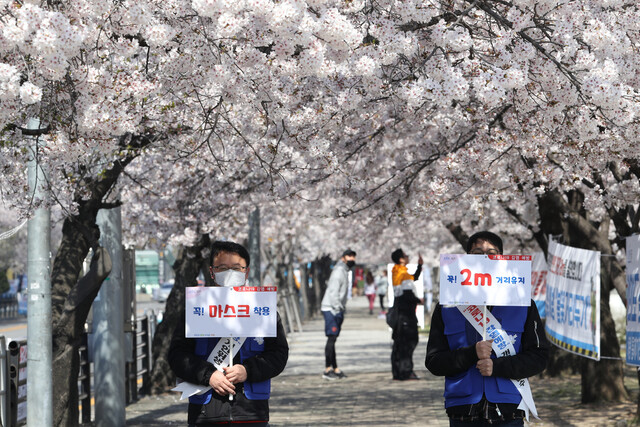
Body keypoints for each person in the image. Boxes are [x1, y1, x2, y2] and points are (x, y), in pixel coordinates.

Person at [425, 231, 549, 426]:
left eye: (492, 253)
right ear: (466, 259)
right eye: (477, 253)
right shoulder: (447, 306)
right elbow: (433, 361)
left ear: (502, 259)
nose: (485, 257)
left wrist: (498, 367)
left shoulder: (523, 304)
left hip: (509, 411)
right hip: (462, 411)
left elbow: (539, 357)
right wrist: (471, 354)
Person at [168, 240, 289, 427]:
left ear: (246, 272)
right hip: (205, 411)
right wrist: (208, 375)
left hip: (252, 411)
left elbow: (278, 354)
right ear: (212, 272)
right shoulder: (196, 310)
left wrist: (247, 370)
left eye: (236, 268)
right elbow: (177, 355)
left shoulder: (262, 309)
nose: (230, 273)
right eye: (222, 267)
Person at [320, 249, 356, 380]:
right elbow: (333, 292)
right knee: (331, 338)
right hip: (331, 309)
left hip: (335, 308)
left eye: (353, 256)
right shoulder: (338, 272)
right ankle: (327, 369)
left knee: (333, 339)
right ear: (343, 258)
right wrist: (338, 309)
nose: (352, 259)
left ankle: (335, 368)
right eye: (349, 256)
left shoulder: (344, 270)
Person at [390, 248, 424, 381]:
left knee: (399, 343)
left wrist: (419, 266)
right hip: (406, 316)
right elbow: (407, 294)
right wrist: (418, 300)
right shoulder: (402, 274)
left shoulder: (398, 271)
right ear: (401, 259)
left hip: (399, 315)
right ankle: (406, 371)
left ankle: (398, 372)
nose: (408, 257)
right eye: (406, 255)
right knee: (409, 342)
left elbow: (413, 278)